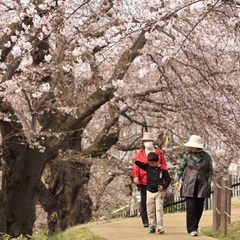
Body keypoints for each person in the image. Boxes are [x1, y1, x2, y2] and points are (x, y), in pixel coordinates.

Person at [174, 135, 213, 237]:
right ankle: (192, 228)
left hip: (202, 184)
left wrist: (209, 181)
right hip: (189, 184)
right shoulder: (187, 155)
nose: (190, 147)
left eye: (192, 146)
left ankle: (195, 226)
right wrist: (177, 180)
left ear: (198, 146)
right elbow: (180, 168)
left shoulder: (207, 156)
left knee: (199, 207)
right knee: (191, 207)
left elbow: (210, 170)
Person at [131, 132, 167, 228]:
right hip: (143, 179)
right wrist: (135, 176)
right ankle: (145, 220)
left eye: (148, 141)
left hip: (156, 180)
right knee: (144, 201)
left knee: (156, 202)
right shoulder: (140, 153)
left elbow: (163, 165)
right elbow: (137, 165)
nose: (147, 142)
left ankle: (155, 220)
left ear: (152, 141)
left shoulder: (159, 152)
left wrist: (164, 177)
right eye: (145, 141)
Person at [133, 152, 171, 234]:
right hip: (149, 191)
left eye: (153, 163)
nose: (151, 164)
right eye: (150, 163)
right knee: (150, 210)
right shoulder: (147, 167)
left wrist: (163, 186)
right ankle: (151, 226)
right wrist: (135, 160)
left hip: (159, 192)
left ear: (157, 161)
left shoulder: (162, 169)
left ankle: (160, 226)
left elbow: (168, 179)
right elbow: (140, 164)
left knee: (159, 210)